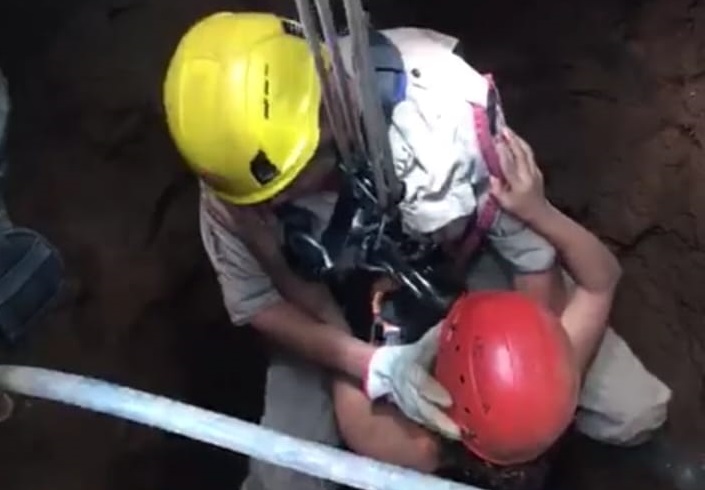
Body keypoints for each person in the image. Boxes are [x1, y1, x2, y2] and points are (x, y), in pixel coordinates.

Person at [162, 11, 684, 490]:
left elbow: (534, 264)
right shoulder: (237, 175)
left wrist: (520, 342)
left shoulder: (443, 108)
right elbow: (263, 306)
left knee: (633, 411)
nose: (274, 203)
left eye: (288, 185)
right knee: (283, 481)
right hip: (329, 308)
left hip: (455, 268)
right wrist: (373, 363)